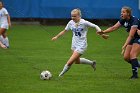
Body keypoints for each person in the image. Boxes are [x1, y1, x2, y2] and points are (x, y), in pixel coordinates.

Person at [52, 8, 109, 77]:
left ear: (79, 16)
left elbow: (95, 26)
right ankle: (92, 63)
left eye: (74, 16)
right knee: (77, 61)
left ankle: (60, 75)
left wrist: (102, 34)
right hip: (74, 44)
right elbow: (64, 31)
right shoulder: (70, 23)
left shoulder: (84, 22)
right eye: (72, 16)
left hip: (82, 45)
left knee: (70, 61)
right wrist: (56, 36)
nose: (73, 18)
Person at [97, 6, 140, 79]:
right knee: (126, 57)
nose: (121, 13)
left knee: (133, 54)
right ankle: (136, 64)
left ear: (128, 13)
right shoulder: (123, 19)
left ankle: (135, 76)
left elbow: (131, 35)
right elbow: (114, 27)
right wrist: (103, 32)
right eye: (121, 12)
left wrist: (124, 45)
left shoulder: (134, 20)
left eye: (123, 12)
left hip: (138, 37)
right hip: (133, 37)